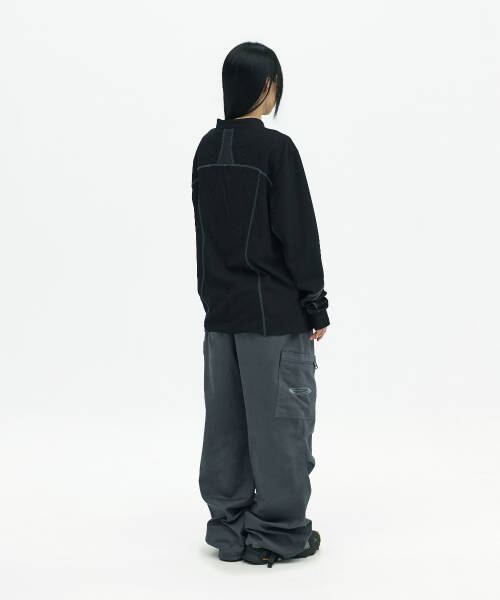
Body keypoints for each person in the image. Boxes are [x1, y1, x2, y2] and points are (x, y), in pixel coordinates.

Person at [191, 41, 331, 568]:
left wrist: (212, 302)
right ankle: (276, 533)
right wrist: (314, 303)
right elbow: (298, 232)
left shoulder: (206, 149)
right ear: (267, 85)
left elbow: (206, 238)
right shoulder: (275, 149)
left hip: (221, 318)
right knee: (280, 426)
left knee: (225, 428)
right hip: (272, 317)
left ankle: (229, 528)